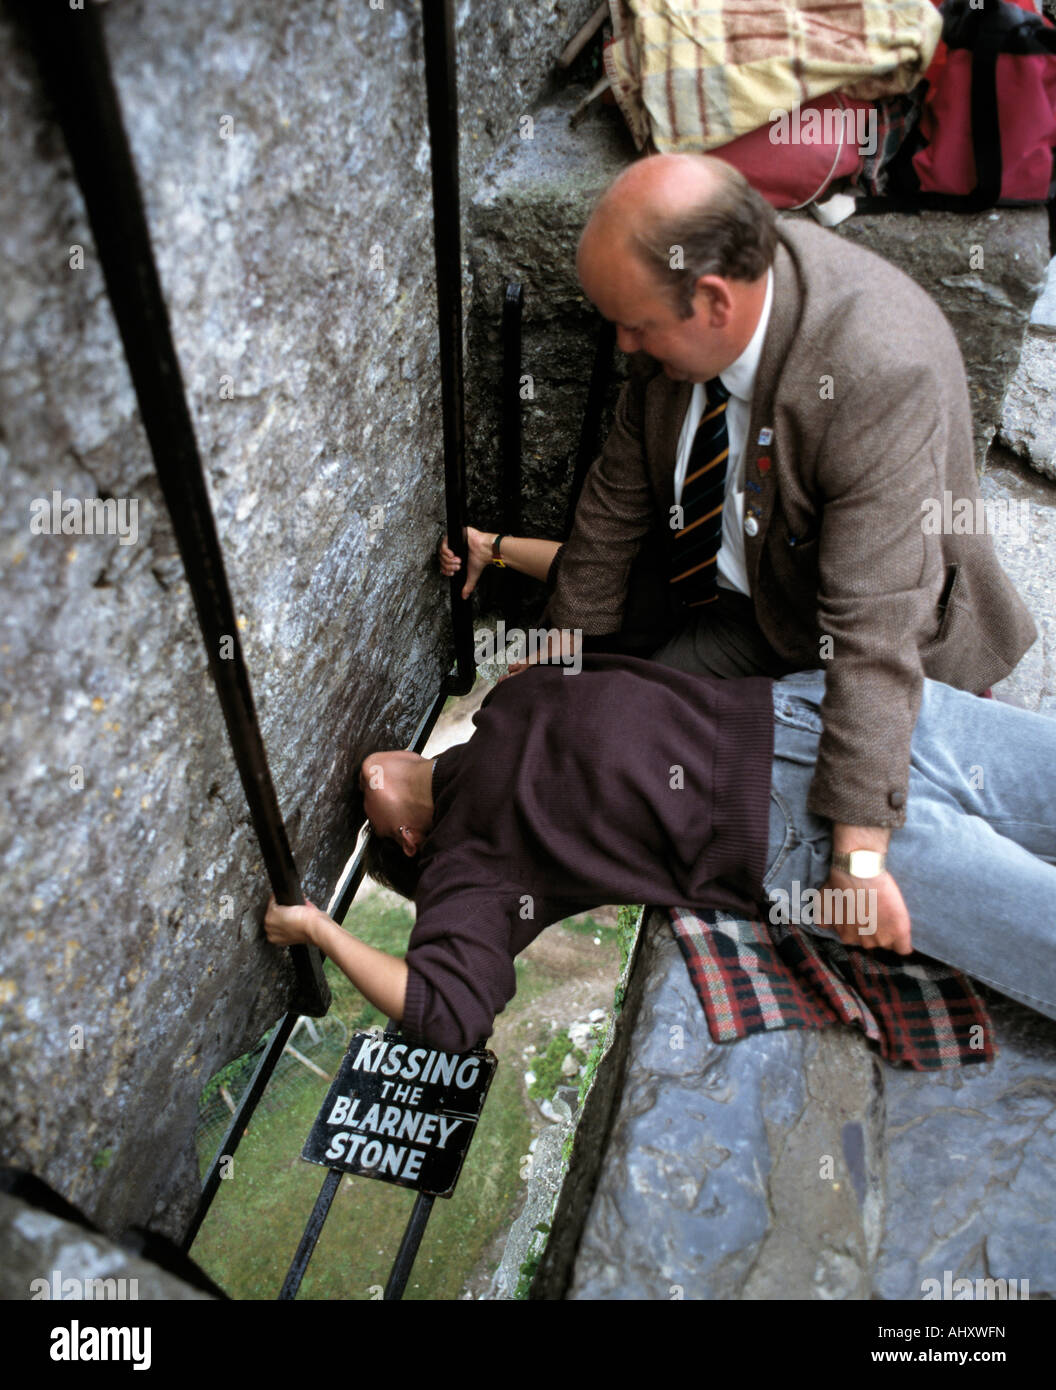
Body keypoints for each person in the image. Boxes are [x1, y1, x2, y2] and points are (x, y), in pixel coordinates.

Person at [535, 152, 1036, 957]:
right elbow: (615, 501)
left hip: (881, 646)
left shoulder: (876, 372)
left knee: (879, 846)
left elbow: (874, 635)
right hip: (756, 608)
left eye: (635, 324)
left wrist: (858, 858)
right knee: (611, 737)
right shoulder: (689, 323)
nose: (623, 343)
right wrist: (558, 653)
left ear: (712, 301)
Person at [263, 656, 1056, 1055]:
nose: (364, 773)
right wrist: (319, 933)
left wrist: (491, 549)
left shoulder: (510, 698)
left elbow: (605, 597)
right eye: (363, 810)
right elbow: (446, 1012)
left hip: (841, 714)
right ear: (408, 840)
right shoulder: (468, 868)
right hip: (792, 834)